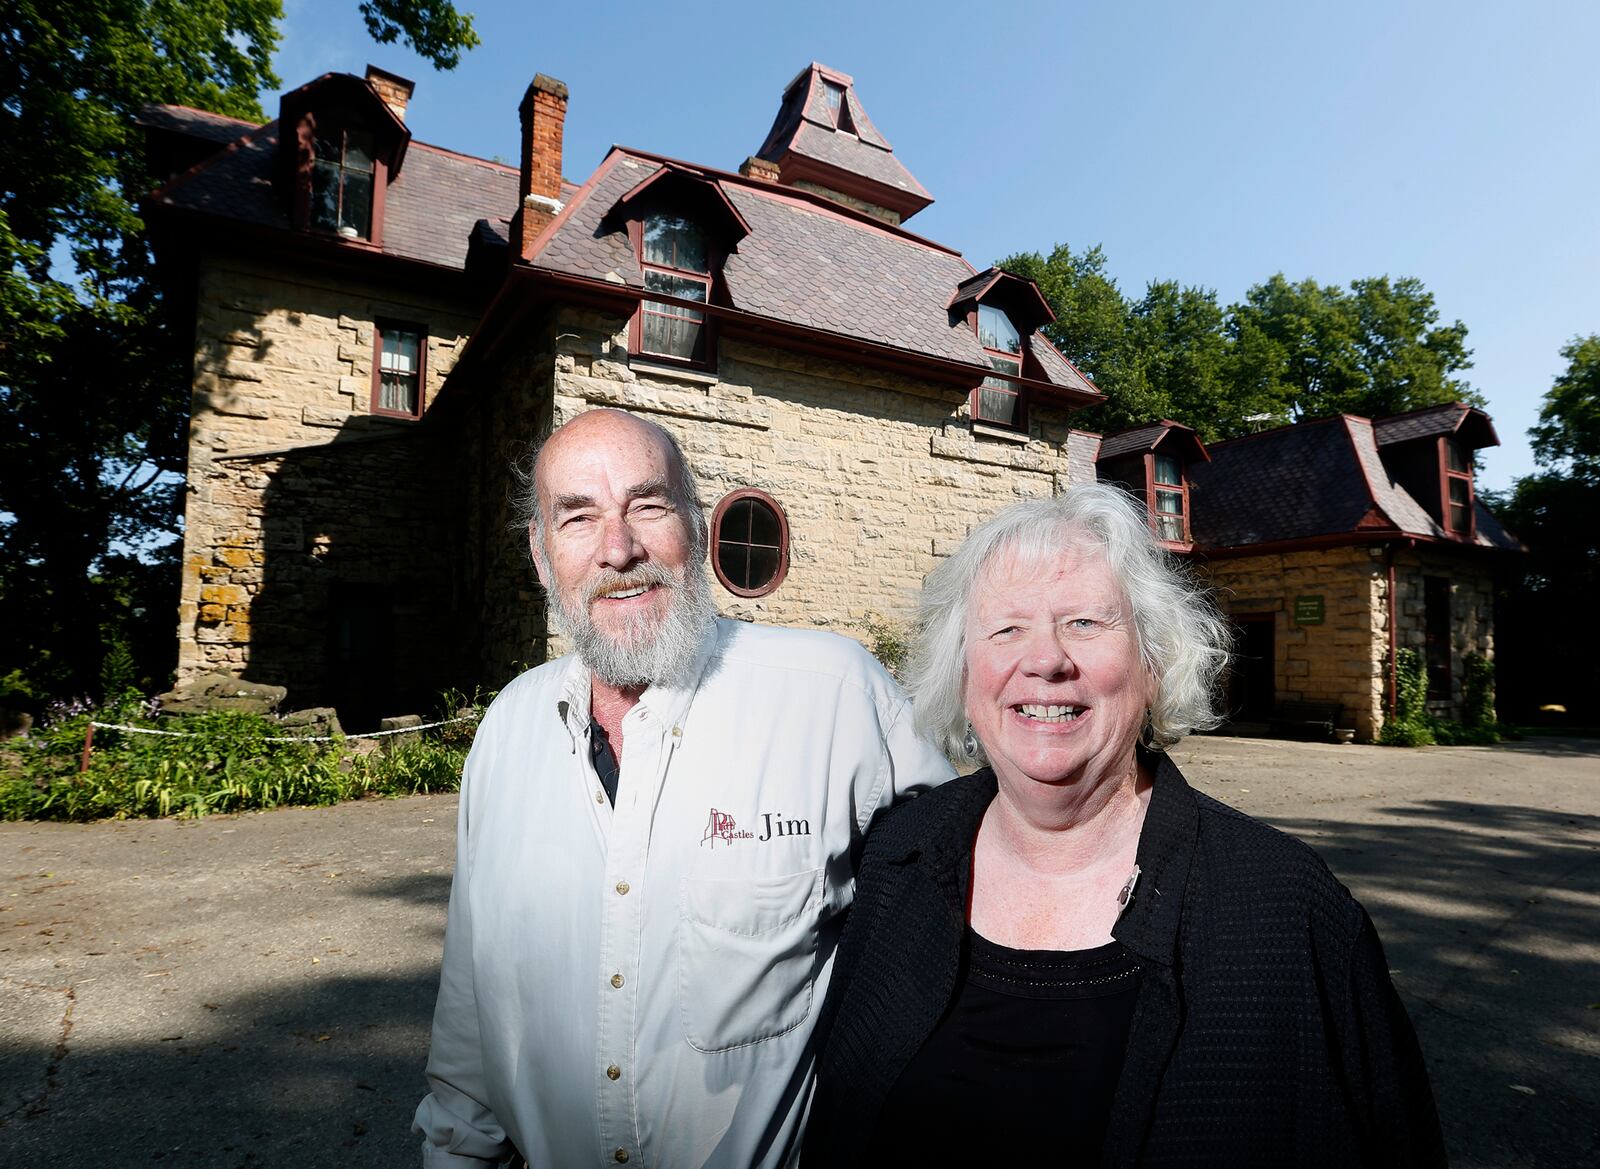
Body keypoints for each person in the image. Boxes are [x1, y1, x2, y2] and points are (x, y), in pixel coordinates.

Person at [805, 484, 1446, 1167]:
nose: (1045, 658)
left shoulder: (1289, 912)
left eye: (1084, 622)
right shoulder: (898, 857)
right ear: (963, 672)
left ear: (1154, 660)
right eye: (1006, 627)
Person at [413, 408, 953, 1169]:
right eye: (578, 517)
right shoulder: (507, 730)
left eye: (648, 504)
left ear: (697, 529)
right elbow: (470, 1019)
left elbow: (966, 935)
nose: (619, 548)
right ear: (541, 554)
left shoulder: (834, 696)